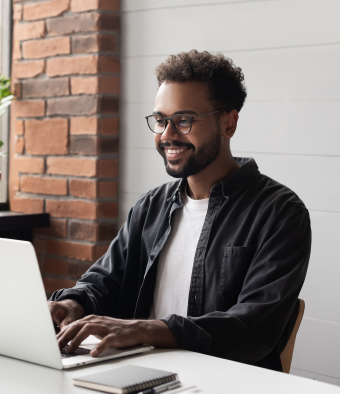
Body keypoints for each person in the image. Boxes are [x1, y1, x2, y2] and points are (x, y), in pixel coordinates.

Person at [48, 50, 311, 371]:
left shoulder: (280, 212)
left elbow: (252, 327)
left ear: (229, 122)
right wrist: (72, 304)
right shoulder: (151, 206)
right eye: (160, 120)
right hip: (140, 373)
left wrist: (145, 329)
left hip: (226, 381)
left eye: (184, 120)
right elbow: (106, 282)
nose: (167, 135)